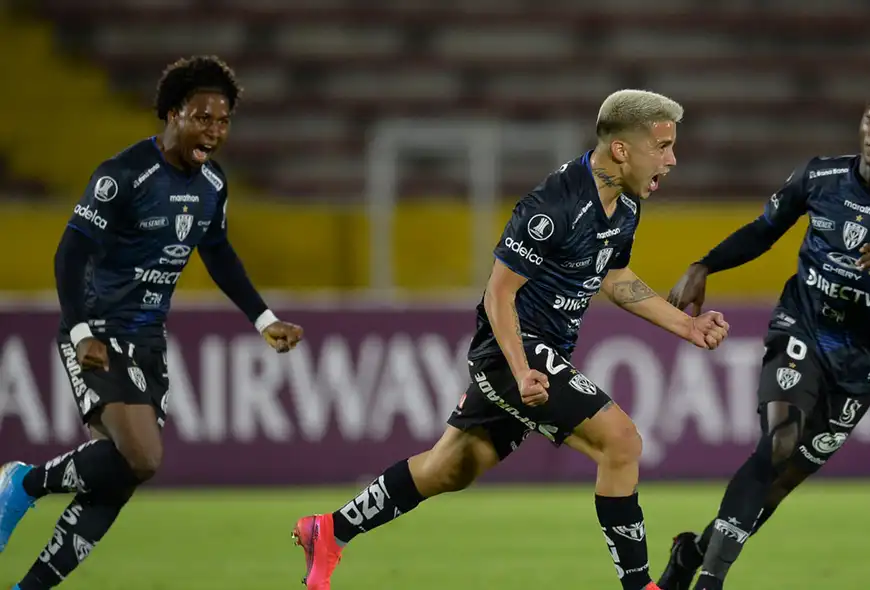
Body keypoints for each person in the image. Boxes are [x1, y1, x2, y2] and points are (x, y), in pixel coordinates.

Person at [291, 89, 731, 590]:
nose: (672, 159)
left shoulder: (627, 204)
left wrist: (685, 326)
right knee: (622, 442)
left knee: (450, 468)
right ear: (622, 150)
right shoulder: (553, 205)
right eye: (664, 146)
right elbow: (498, 294)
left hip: (541, 357)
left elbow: (613, 276)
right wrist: (521, 369)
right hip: (513, 352)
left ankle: (328, 531)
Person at [656, 82, 870, 590]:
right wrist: (706, 265)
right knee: (780, 439)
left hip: (859, 368)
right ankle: (710, 582)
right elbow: (765, 229)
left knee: (779, 483)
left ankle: (692, 554)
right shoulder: (820, 176)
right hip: (802, 328)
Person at [0, 55, 303, 590]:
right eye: (202, 117)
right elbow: (69, 254)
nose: (215, 130)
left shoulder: (213, 183)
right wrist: (80, 330)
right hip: (98, 329)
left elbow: (218, 251)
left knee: (118, 475)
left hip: (148, 340)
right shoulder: (124, 176)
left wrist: (264, 318)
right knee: (143, 457)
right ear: (171, 114)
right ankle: (24, 482)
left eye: (224, 120)